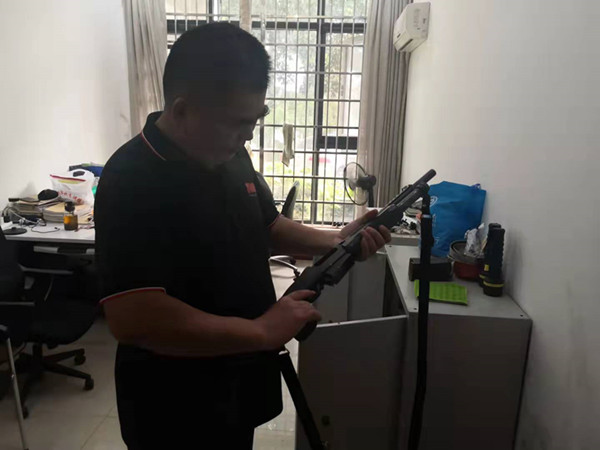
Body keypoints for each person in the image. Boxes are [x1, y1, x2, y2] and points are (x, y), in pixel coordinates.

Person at [95, 22, 391, 449]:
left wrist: (337, 238)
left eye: (255, 120)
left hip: (237, 383)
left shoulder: (230, 152)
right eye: (238, 123)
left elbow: (267, 225)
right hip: (174, 403)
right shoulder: (131, 177)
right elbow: (134, 317)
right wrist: (263, 331)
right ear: (182, 110)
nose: (249, 135)